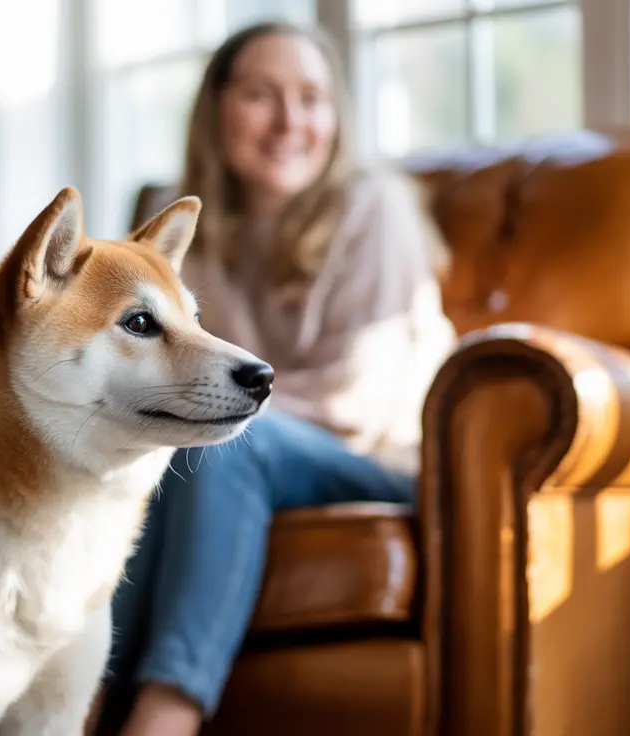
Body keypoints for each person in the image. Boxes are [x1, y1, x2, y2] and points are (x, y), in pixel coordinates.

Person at [93, 20, 459, 736]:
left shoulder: (373, 206)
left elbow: (353, 406)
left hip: (373, 461)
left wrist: (188, 409)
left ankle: (165, 717)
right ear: (216, 110)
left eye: (312, 98)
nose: (292, 122)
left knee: (224, 436)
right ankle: (79, 706)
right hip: (235, 461)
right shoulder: (169, 216)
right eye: (263, 95)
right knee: (131, 457)